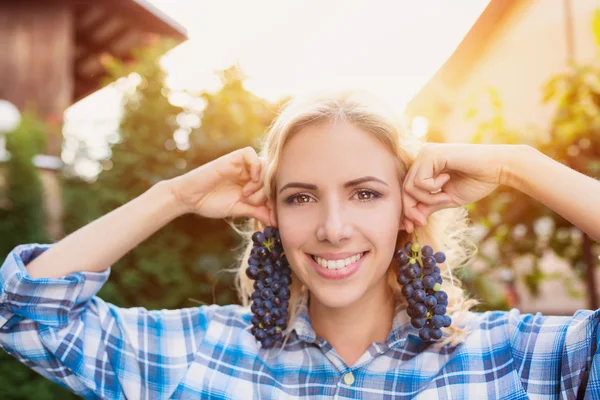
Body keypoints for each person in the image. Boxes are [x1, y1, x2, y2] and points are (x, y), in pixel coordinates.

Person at [0, 90, 599, 399]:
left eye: (365, 193)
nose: (333, 227)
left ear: (406, 210)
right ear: (271, 215)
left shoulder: (513, 361)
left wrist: (519, 166)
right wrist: (175, 196)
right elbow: (26, 312)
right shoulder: (202, 352)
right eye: (301, 197)